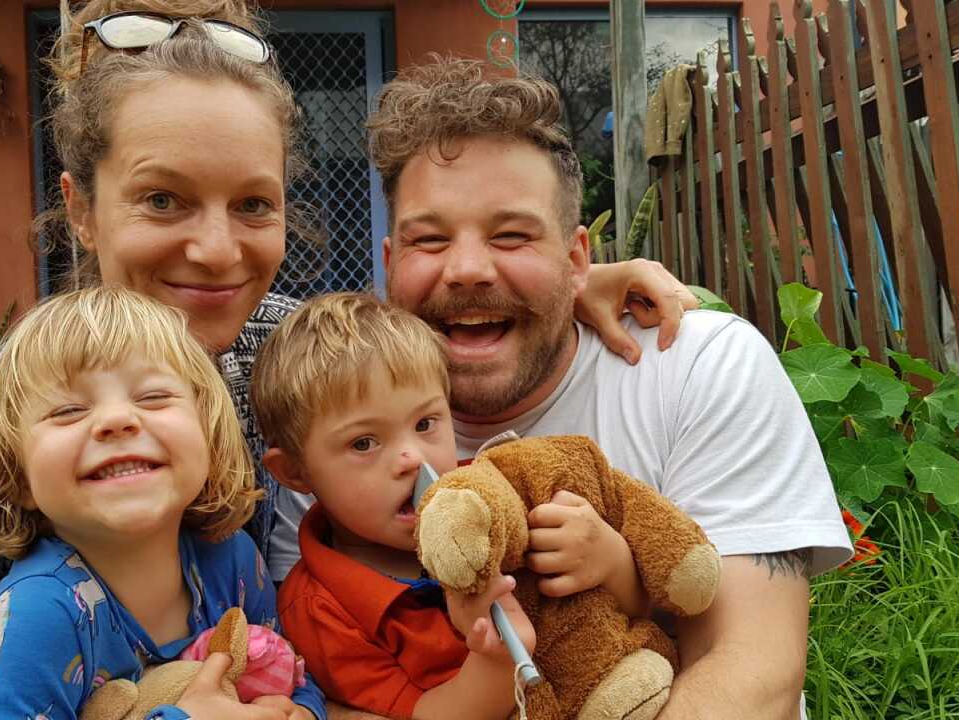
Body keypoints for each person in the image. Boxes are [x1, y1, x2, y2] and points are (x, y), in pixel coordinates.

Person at [0, 3, 695, 717]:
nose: (216, 252)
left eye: (253, 205)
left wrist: (568, 283)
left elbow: (394, 354)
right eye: (162, 200)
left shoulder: (276, 344)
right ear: (80, 207)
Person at [365, 57, 853, 720]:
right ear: (390, 263)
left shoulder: (695, 366)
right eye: (429, 240)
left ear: (576, 262)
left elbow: (752, 671)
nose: (468, 269)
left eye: (511, 236)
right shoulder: (341, 421)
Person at [252, 292, 650, 720]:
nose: (412, 458)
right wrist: (496, 661)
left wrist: (610, 561)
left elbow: (638, 611)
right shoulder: (318, 610)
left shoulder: (496, 495)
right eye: (363, 443)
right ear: (295, 471)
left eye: (425, 424)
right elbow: (422, 714)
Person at [0, 286, 323, 719]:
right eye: (67, 410)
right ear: (18, 477)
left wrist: (299, 711)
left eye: (153, 397)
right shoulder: (36, 617)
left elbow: (292, 674)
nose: (117, 419)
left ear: (209, 440)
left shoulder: (232, 560)